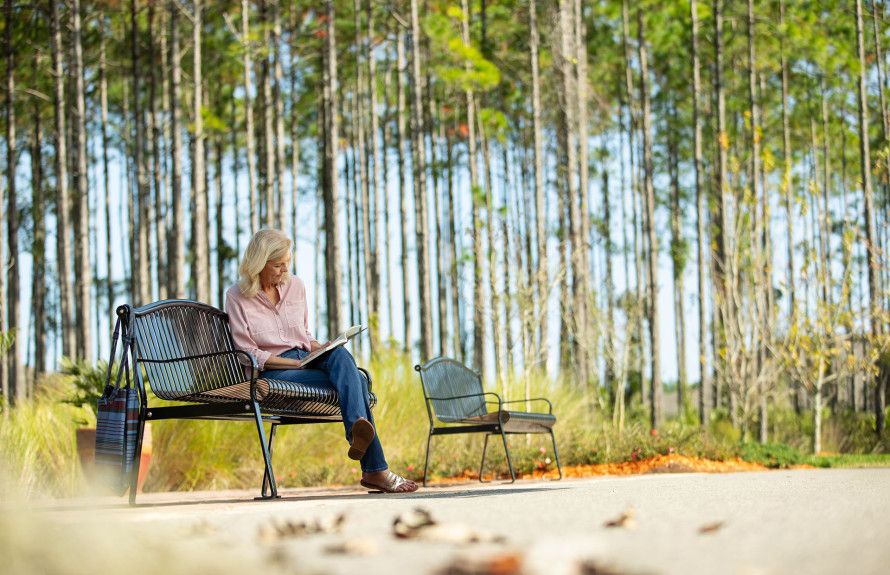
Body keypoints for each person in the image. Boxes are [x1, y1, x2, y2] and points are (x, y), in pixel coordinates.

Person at [225, 229, 418, 493]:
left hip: (306, 358)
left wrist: (321, 347)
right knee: (358, 380)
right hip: (273, 371)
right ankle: (374, 467)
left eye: (287, 263)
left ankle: (363, 445)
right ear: (259, 262)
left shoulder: (296, 286)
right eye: (278, 265)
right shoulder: (237, 296)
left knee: (340, 355)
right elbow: (246, 351)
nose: (284, 270)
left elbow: (303, 334)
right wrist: (291, 364)